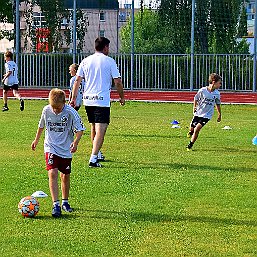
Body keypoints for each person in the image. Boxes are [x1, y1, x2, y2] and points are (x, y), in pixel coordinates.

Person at [70, 37, 125, 168]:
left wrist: (73, 97)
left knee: (94, 126)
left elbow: (77, 80)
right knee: (101, 129)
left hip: (88, 99)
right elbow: (117, 81)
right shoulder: (109, 61)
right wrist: (122, 97)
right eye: (108, 47)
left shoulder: (85, 61)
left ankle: (97, 152)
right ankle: (93, 158)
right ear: (105, 47)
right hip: (101, 100)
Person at [31, 88, 85, 217]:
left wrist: (75, 142)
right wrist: (36, 140)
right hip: (50, 146)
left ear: (64, 103)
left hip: (66, 148)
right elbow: (41, 125)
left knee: (65, 176)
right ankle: (56, 205)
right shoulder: (46, 110)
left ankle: (65, 202)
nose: (55, 110)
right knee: (53, 172)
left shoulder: (71, 112)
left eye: (58, 108)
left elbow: (80, 129)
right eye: (53, 107)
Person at [186, 73, 222, 151]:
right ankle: (190, 132)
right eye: (219, 83)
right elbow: (196, 98)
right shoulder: (202, 90)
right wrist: (194, 107)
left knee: (197, 129)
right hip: (198, 113)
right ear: (213, 82)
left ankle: (190, 145)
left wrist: (219, 115)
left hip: (207, 115)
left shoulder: (217, 93)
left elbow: (218, 104)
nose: (220, 85)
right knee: (192, 129)